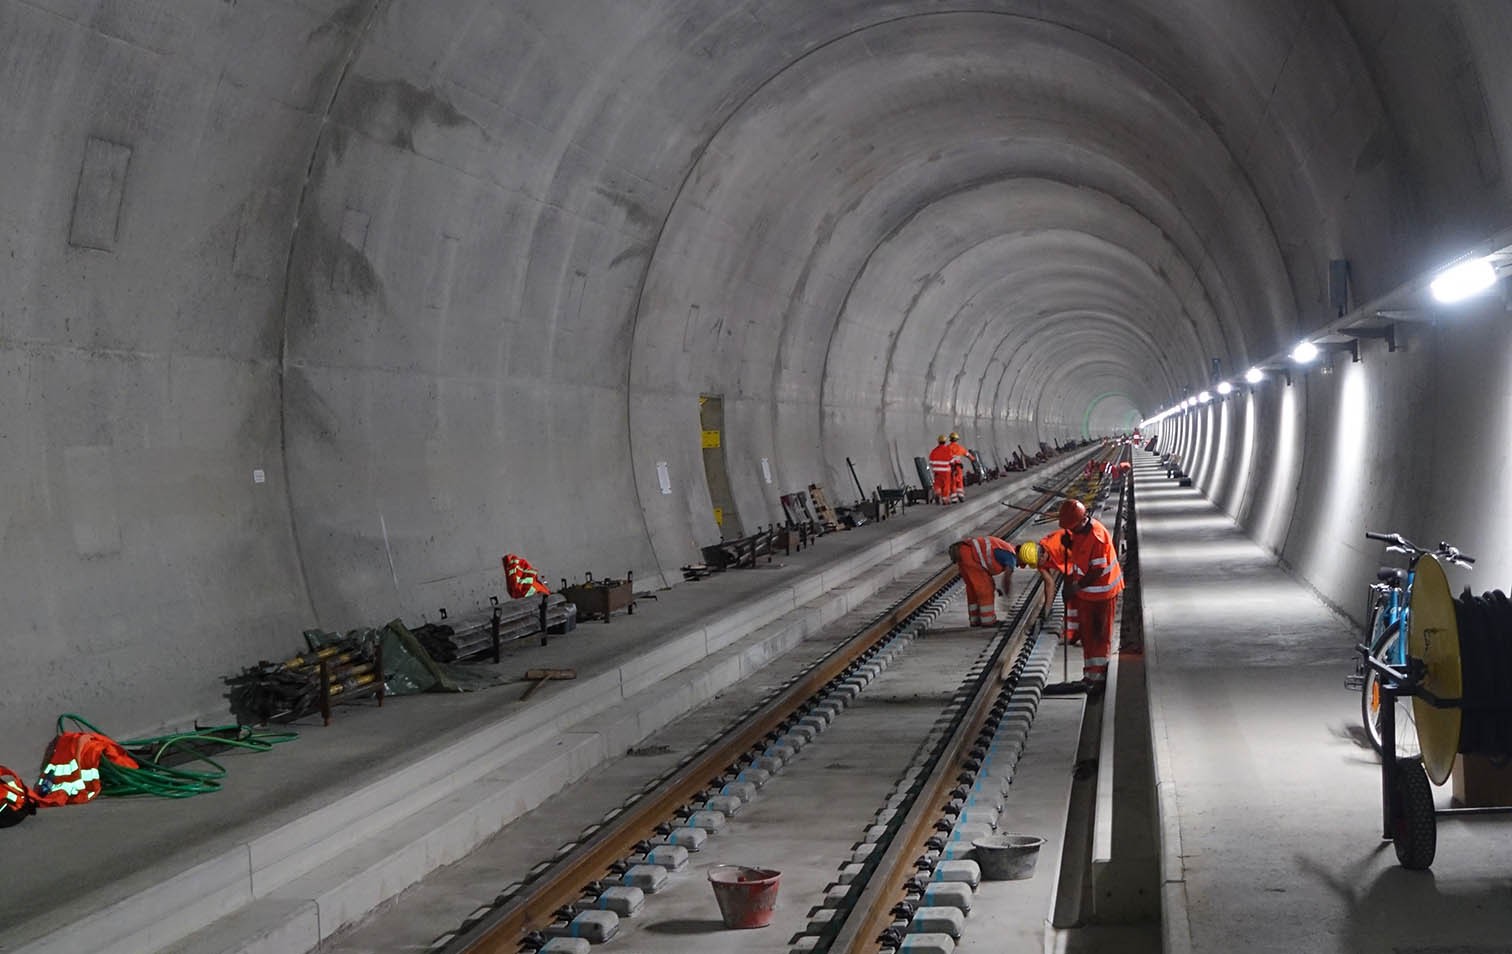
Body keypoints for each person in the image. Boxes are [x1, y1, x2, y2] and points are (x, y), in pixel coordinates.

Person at [1055, 498, 1124, 692]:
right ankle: (1089, 675)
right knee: (1088, 635)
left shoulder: (1096, 535)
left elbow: (1097, 570)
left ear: (1082, 520)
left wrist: (1075, 587)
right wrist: (1069, 543)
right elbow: (1078, 557)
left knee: (1099, 635)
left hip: (1103, 593)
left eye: (1072, 527)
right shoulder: (1079, 530)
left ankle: (1099, 678)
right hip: (1088, 594)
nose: (1071, 531)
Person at [948, 536, 1016, 627]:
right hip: (972, 557)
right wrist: (1007, 598)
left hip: (964, 552)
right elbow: (1007, 579)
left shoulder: (1005, 548)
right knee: (985, 590)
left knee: (973, 590)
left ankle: (975, 620)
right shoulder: (1011, 556)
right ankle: (988, 621)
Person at [944, 431, 974, 502]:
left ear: (950, 439)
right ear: (957, 440)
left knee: (952, 482)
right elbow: (968, 455)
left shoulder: (947, 448)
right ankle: (961, 496)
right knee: (959, 481)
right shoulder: (960, 448)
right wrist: (973, 459)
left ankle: (954, 499)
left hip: (950, 468)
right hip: (958, 468)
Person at [927, 435, 954, 504]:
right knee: (946, 485)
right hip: (946, 472)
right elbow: (952, 461)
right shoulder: (948, 450)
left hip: (937, 472)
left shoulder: (934, 451)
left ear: (938, 441)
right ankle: (945, 500)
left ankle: (937, 493)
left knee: (937, 484)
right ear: (945, 441)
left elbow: (930, 462)